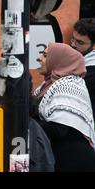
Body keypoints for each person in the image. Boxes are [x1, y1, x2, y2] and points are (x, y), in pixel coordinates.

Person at [33, 42, 95, 171]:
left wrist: (28, 123)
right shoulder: (48, 84)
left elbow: (59, 129)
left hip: (74, 160)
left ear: (58, 61)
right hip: (60, 156)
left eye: (45, 56)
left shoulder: (68, 86)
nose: (39, 58)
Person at [71, 18, 95, 115]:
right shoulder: (79, 60)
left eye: (80, 42)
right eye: (73, 39)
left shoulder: (91, 70)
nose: (73, 45)